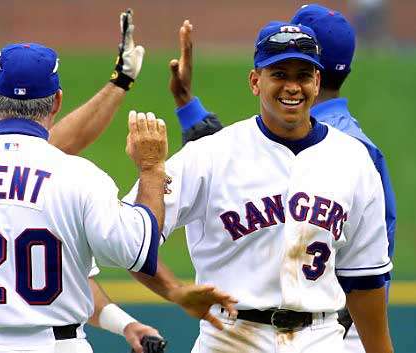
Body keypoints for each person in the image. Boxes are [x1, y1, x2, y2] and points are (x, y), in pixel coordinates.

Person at [126, 21, 394, 353]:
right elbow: (128, 234)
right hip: (231, 338)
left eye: (303, 75)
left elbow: (364, 281)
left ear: (318, 81)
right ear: (255, 81)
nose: (293, 87)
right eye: (279, 74)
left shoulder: (352, 159)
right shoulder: (210, 155)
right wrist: (175, 291)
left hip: (321, 338)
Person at [0, 10, 161, 352]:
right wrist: (151, 170)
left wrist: (125, 324)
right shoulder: (79, 176)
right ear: (57, 100)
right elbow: (138, 250)